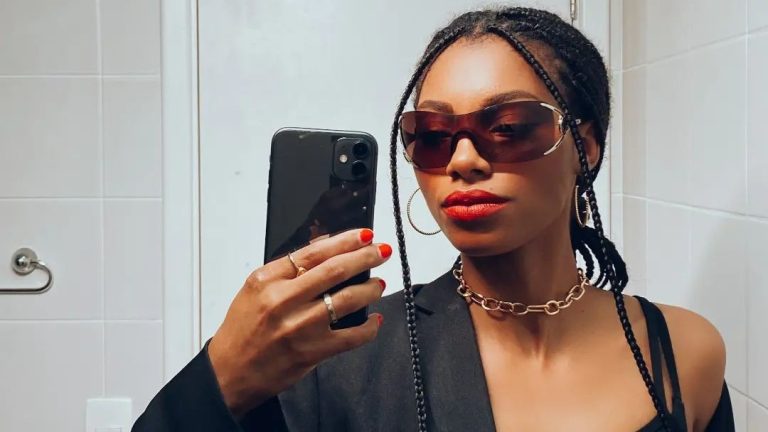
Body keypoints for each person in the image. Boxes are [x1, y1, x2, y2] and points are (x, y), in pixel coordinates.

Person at [134, 7, 735, 431]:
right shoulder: (338, 359)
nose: (463, 160)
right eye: (432, 135)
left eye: (508, 127)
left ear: (586, 147)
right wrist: (222, 380)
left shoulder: (684, 354)